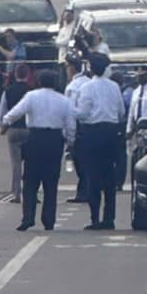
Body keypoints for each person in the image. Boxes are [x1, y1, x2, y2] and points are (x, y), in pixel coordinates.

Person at [1, 70, 77, 232]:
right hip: (54, 140)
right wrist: (70, 142)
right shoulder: (64, 101)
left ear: (39, 81)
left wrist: (6, 121)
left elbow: (15, 112)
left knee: (30, 180)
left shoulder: (32, 96)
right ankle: (48, 220)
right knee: (51, 182)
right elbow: (71, 125)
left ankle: (28, 218)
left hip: (35, 137)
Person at [75, 54, 127, 230]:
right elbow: (121, 112)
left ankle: (94, 217)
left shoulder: (86, 87)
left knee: (92, 176)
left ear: (90, 68)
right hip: (111, 131)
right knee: (109, 177)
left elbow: (82, 113)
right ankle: (109, 217)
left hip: (92, 132)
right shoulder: (114, 87)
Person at [0, 64, 33, 204]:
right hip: (29, 129)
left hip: (13, 130)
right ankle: (31, 192)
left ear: (15, 75)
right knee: (31, 163)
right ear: (28, 75)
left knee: (16, 164)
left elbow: (3, 110)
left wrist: (3, 125)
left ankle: (16, 193)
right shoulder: (32, 92)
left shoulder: (8, 91)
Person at [63, 57, 91, 205]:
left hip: (79, 129)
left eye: (67, 67)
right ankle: (87, 190)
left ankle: (84, 191)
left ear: (73, 68)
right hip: (92, 127)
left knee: (80, 162)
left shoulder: (73, 86)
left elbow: (71, 113)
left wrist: (70, 137)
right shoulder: (89, 82)